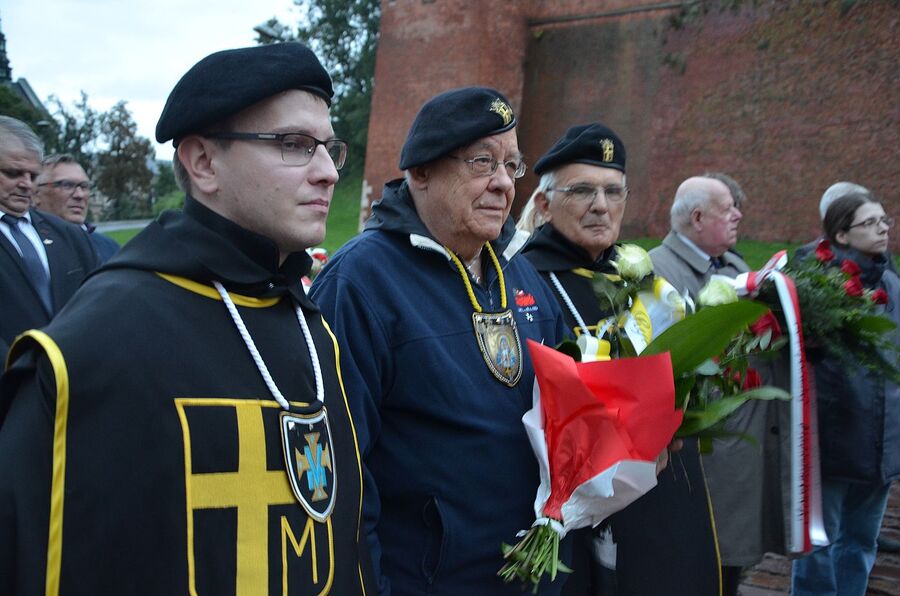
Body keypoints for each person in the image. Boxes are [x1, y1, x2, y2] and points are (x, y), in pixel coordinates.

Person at [0, 43, 375, 595]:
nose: (326, 173)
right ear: (203, 163)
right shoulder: (92, 346)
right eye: (294, 145)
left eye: (328, 148)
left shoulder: (310, 326)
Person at [310, 86, 579, 595]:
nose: (504, 184)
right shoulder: (360, 282)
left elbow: (568, 401)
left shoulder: (521, 271)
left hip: (526, 575)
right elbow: (341, 478)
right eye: (483, 162)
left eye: (512, 166)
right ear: (421, 172)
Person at [522, 124, 720, 596]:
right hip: (577, 511)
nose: (601, 205)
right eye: (583, 191)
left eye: (613, 191)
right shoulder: (523, 281)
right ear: (545, 204)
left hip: (663, 493)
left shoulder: (643, 281)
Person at [649, 175, 790, 596]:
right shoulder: (660, 270)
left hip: (741, 444)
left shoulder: (734, 267)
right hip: (696, 453)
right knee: (692, 570)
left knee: (731, 572)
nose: (738, 215)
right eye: (728, 208)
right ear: (697, 217)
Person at [791, 193, 899, 596]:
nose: (884, 228)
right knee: (820, 543)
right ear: (841, 234)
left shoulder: (891, 283)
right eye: (870, 223)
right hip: (834, 441)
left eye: (884, 220)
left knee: (862, 543)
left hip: (883, 443)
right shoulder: (815, 287)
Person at [0, 116, 97, 361]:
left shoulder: (70, 235)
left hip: (73, 381)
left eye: (33, 176)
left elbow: (98, 308)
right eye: (13, 174)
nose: (26, 185)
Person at [34, 153, 120, 262]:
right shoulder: (27, 249)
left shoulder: (110, 248)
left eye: (84, 186)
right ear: (36, 193)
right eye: (67, 185)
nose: (79, 195)